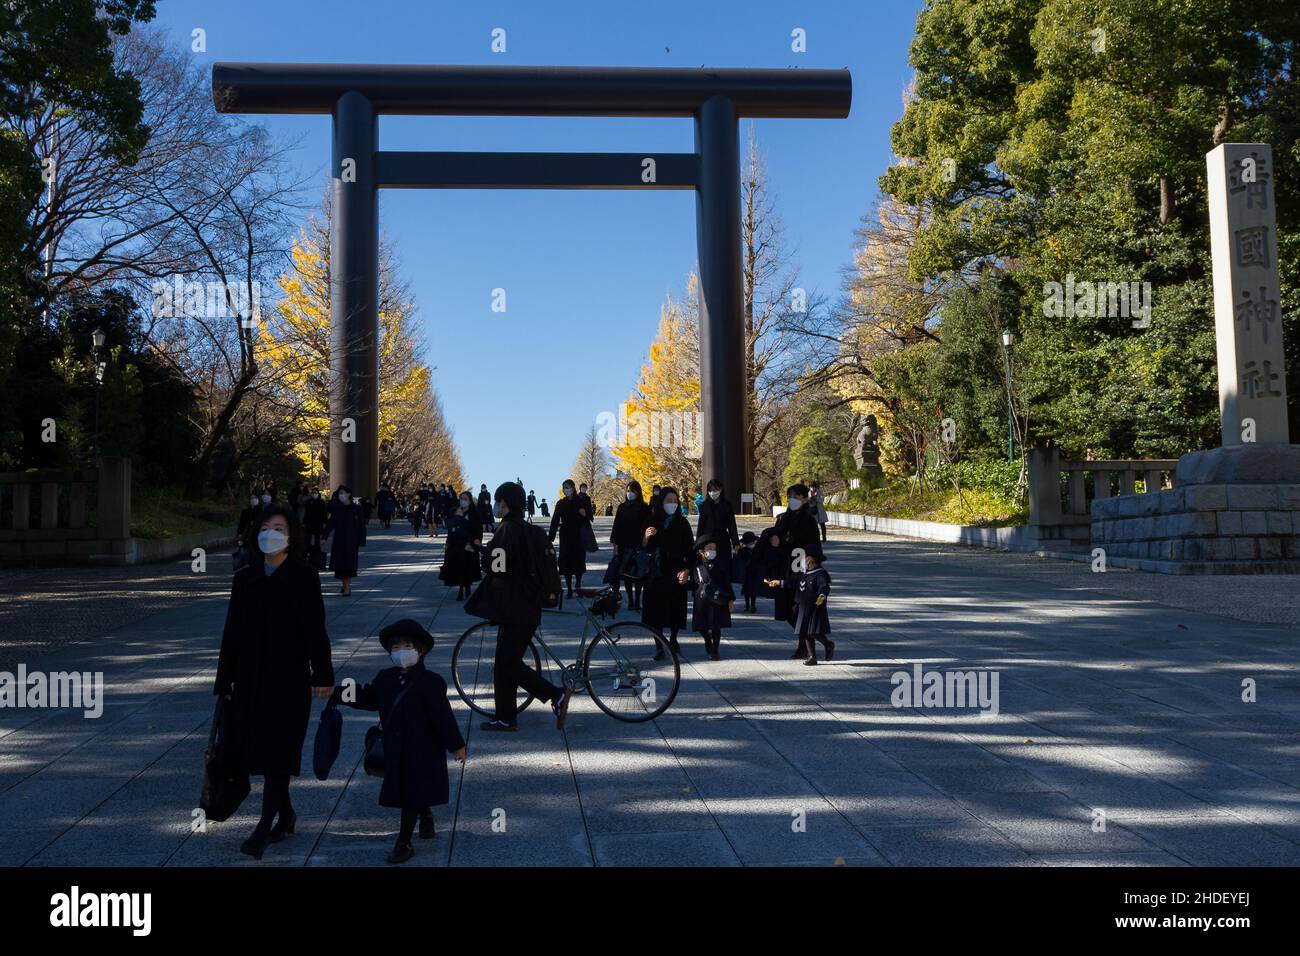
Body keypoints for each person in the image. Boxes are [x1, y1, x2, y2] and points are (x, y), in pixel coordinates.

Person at [214, 506, 334, 860]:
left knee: (278, 753)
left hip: (289, 680)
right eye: (265, 527)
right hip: (249, 680)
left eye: (278, 527)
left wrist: (323, 675)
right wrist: (225, 679)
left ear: (291, 534)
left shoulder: (304, 576)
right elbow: (231, 632)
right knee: (259, 751)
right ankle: (287, 813)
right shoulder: (244, 577)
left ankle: (265, 825)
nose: (271, 533)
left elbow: (315, 630)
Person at [338, 619, 466, 864]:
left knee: (410, 793)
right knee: (412, 791)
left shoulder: (431, 682)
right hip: (396, 748)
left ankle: (404, 842)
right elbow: (368, 697)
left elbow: (443, 717)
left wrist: (456, 745)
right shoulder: (385, 678)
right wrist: (338, 692)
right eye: (395, 648)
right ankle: (425, 813)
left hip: (423, 749)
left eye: (407, 646)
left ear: (420, 650)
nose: (401, 652)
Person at [475, 482, 572, 732]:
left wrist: (484, 554)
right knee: (505, 662)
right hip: (529, 606)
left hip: (514, 608)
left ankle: (556, 694)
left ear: (505, 503)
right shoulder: (530, 529)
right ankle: (506, 717)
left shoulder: (507, 529)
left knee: (508, 663)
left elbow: (495, 565)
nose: (496, 506)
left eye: (498, 502)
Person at [767, 483, 821, 656]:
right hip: (784, 567)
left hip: (802, 569)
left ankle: (804, 644)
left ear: (805, 499)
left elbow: (814, 546)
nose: (793, 500)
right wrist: (774, 541)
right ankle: (808, 640)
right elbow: (776, 537)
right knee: (786, 608)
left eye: (797, 497)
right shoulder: (783, 518)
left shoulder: (809, 521)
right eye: (790, 497)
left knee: (799, 607)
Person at [640, 487, 694, 658]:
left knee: (675, 608)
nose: (672, 504)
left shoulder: (682, 523)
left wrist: (687, 569)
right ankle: (659, 645)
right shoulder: (652, 520)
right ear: (661, 502)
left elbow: (690, 550)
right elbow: (642, 546)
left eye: (675, 501)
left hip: (676, 570)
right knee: (654, 610)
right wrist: (646, 537)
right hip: (655, 571)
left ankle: (673, 638)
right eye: (668, 501)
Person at [691, 532, 734, 661]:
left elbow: (726, 582)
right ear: (702, 551)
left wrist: (730, 599)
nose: (712, 551)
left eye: (714, 548)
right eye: (709, 548)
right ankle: (707, 640)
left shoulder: (720, 564)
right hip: (702, 598)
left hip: (718, 598)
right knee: (702, 626)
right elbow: (694, 583)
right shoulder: (697, 566)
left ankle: (715, 650)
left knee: (716, 625)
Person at [611, 480, 652, 610]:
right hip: (624, 544)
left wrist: (646, 541)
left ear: (638, 492)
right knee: (627, 574)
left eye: (632, 491)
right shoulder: (622, 507)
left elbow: (648, 525)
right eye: (628, 491)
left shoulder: (645, 508)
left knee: (639, 573)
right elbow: (616, 526)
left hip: (639, 544)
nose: (630, 494)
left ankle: (637, 599)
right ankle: (630, 599)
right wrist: (615, 545)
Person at [790, 544, 834, 665]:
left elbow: (825, 588)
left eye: (804, 557)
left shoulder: (819, 573)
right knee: (804, 632)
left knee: (813, 632)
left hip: (815, 607)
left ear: (810, 558)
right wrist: (779, 583)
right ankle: (812, 657)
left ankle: (828, 644)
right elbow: (795, 584)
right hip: (803, 607)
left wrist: (821, 598)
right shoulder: (805, 572)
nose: (802, 560)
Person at [548, 478, 589, 598]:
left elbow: (587, 517)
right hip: (565, 535)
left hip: (578, 534)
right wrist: (551, 537)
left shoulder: (581, 501)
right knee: (566, 561)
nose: (566, 490)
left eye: (568, 487)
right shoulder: (561, 503)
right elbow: (555, 520)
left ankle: (578, 585)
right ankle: (569, 588)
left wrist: (584, 514)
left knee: (578, 560)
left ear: (573, 488)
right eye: (564, 488)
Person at [440, 490, 484, 600]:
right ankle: (460, 588)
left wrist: (478, 539)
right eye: (461, 499)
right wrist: (447, 543)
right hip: (457, 545)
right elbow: (451, 529)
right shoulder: (457, 512)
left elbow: (479, 529)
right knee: (459, 567)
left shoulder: (475, 513)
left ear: (469, 501)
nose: (463, 501)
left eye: (465, 499)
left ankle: (467, 587)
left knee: (469, 566)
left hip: (470, 544)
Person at [323, 484, 366, 595]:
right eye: (339, 494)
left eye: (343, 493)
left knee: (349, 565)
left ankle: (346, 588)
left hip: (352, 541)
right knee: (341, 565)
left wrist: (361, 540)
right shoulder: (337, 509)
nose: (341, 495)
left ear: (349, 494)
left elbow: (361, 526)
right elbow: (331, 523)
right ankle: (345, 586)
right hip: (339, 540)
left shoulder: (357, 509)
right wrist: (324, 537)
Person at [695, 478, 740, 553]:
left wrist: (735, 542)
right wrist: (697, 543)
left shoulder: (727, 505)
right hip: (708, 541)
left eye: (715, 490)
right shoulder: (704, 506)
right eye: (710, 490)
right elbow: (700, 526)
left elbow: (732, 525)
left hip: (723, 539)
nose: (713, 492)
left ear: (721, 489)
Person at [735, 531, 759, 612]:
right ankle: (747, 605)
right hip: (746, 573)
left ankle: (753, 605)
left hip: (755, 572)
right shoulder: (743, 550)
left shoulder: (757, 549)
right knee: (746, 590)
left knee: (754, 590)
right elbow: (738, 559)